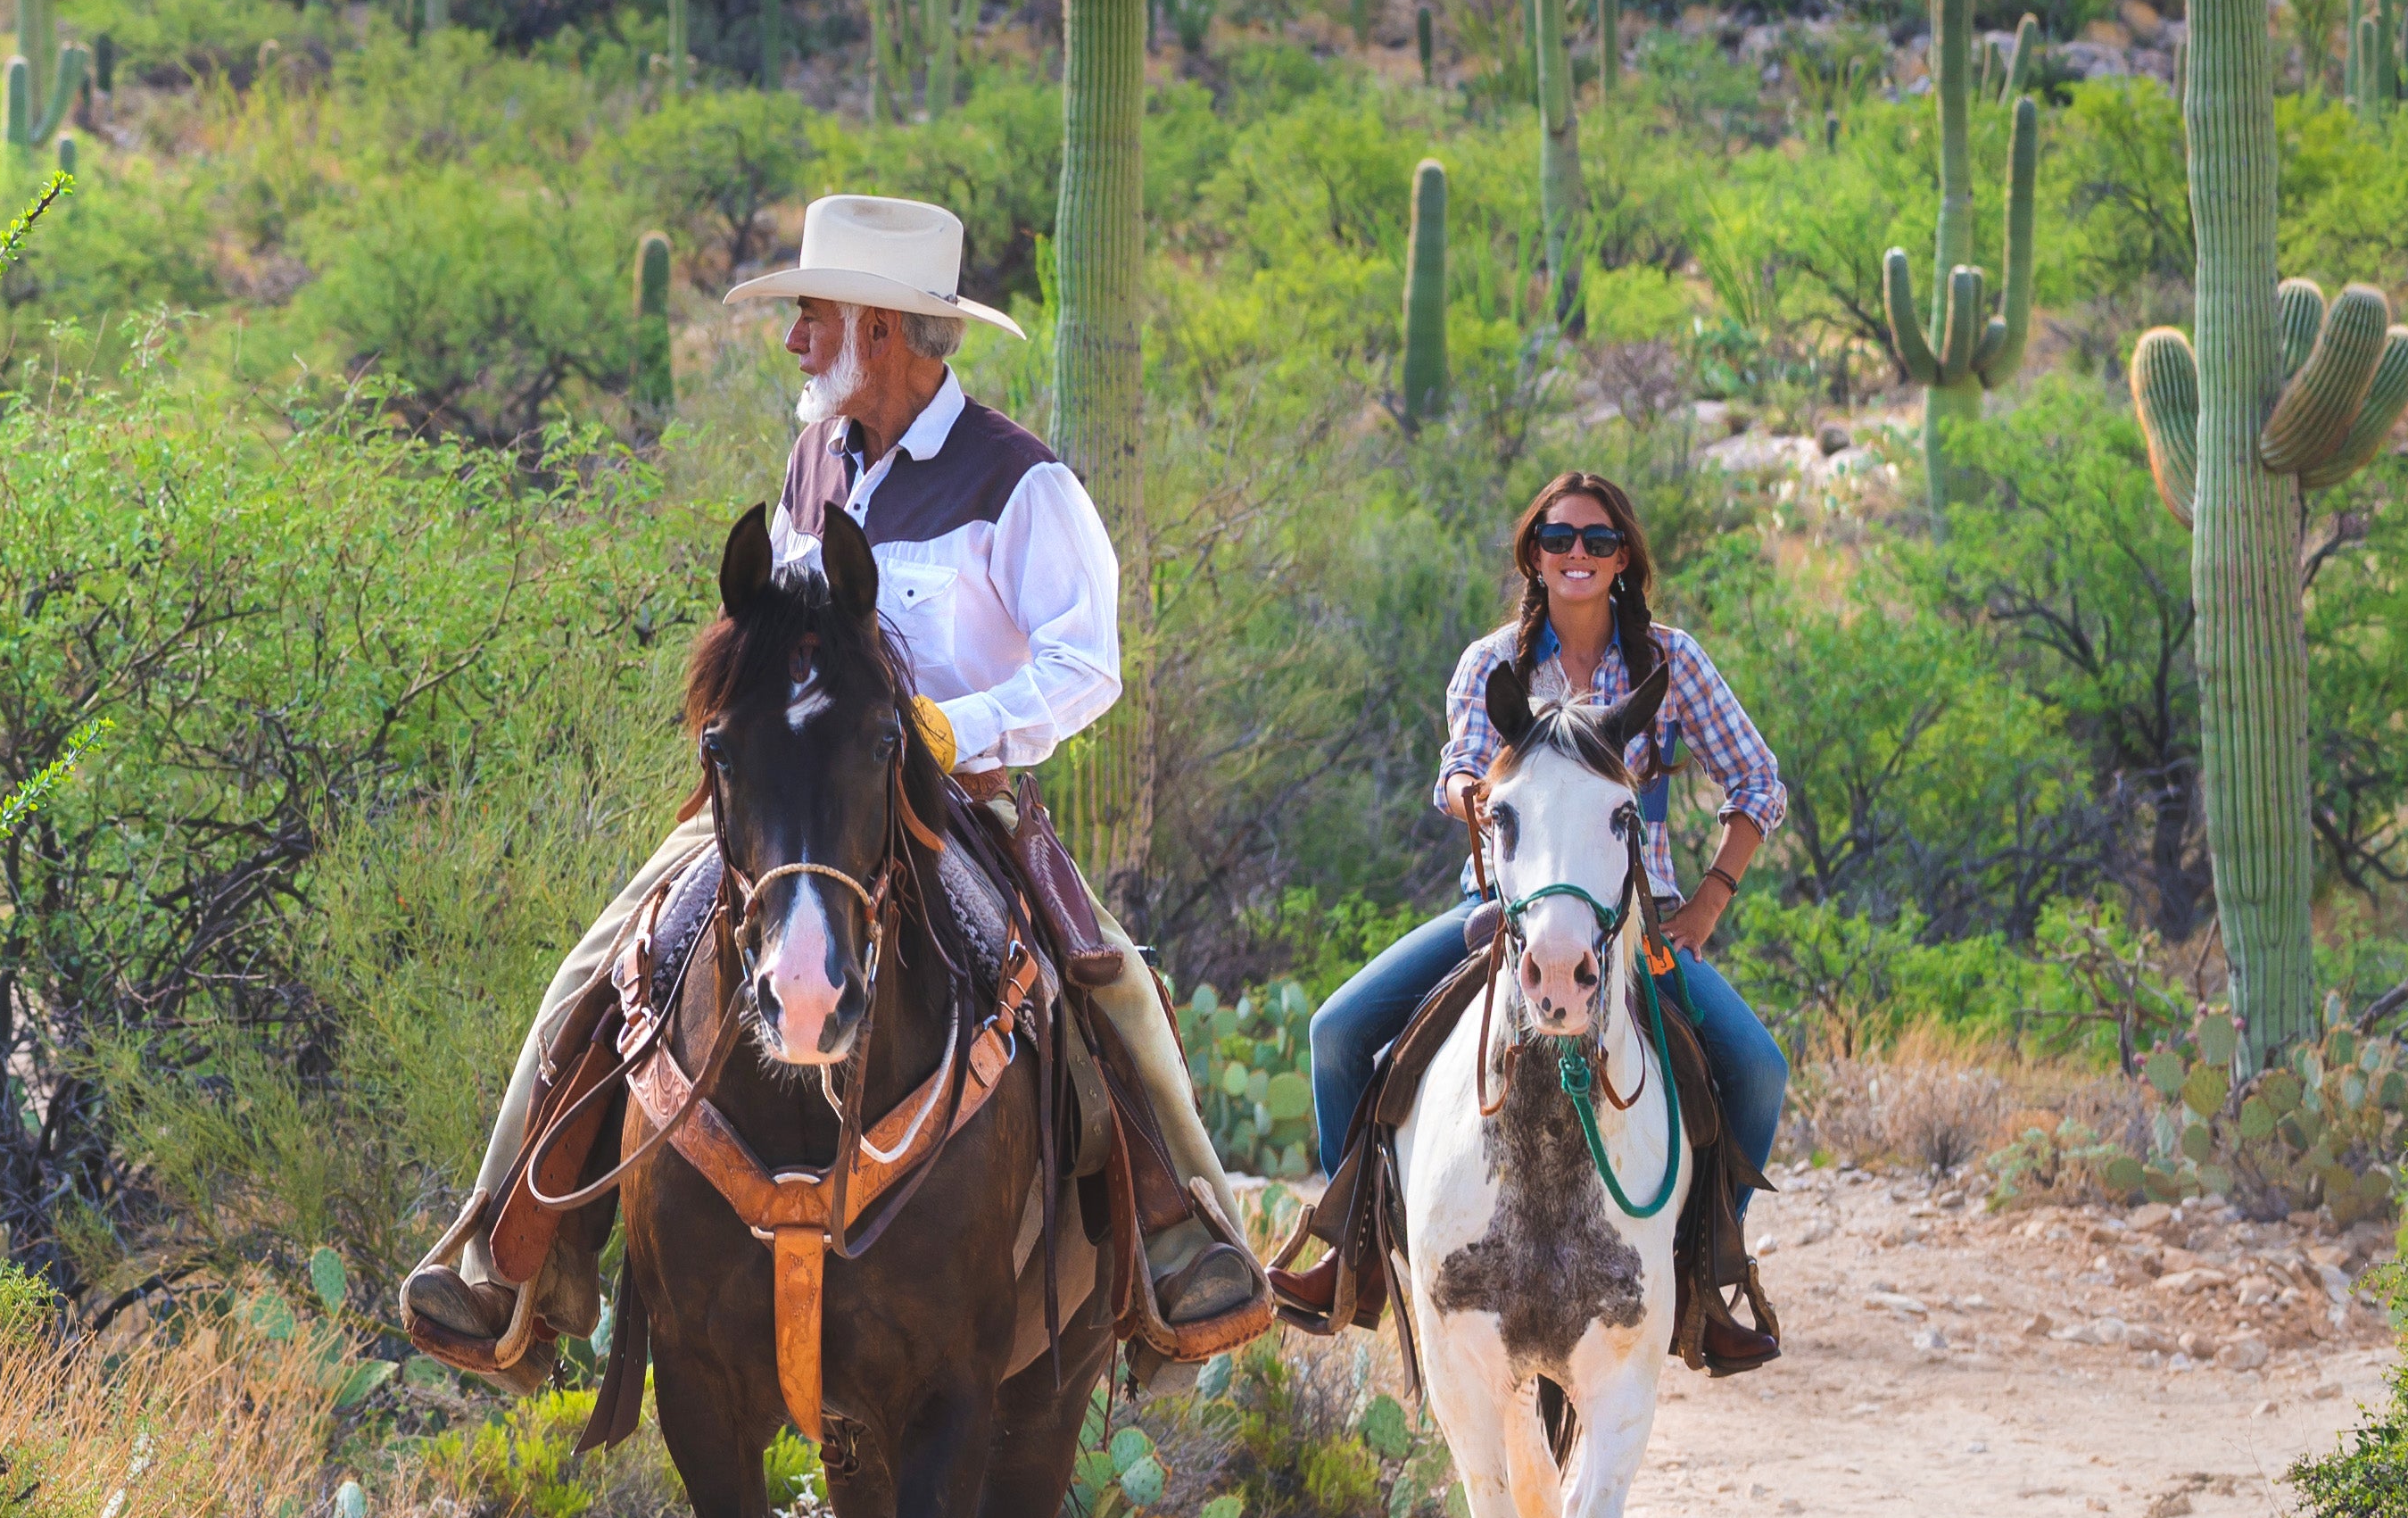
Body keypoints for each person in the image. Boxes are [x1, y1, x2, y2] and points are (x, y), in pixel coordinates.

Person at [400, 193, 1274, 1377]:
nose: (795, 341)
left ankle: (1184, 1239)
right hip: (800, 800)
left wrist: (945, 729)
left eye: (813, 314)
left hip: (962, 798)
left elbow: (1086, 666)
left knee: (1106, 980)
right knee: (605, 962)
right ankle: (506, 1253)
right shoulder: (815, 461)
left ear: (883, 330)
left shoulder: (1020, 483)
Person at [1300, 468, 1794, 1372]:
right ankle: (1355, 1252)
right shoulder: (1493, 664)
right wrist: (1464, 790)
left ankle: (1704, 1273)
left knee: (1758, 1073)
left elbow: (1760, 780)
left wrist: (1712, 897)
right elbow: (1461, 760)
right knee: (1335, 1032)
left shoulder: (1672, 663)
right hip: (1498, 914)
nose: (1578, 554)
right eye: (1560, 537)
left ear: (1623, 560)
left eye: (1598, 541)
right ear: (1533, 554)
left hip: (1633, 931)